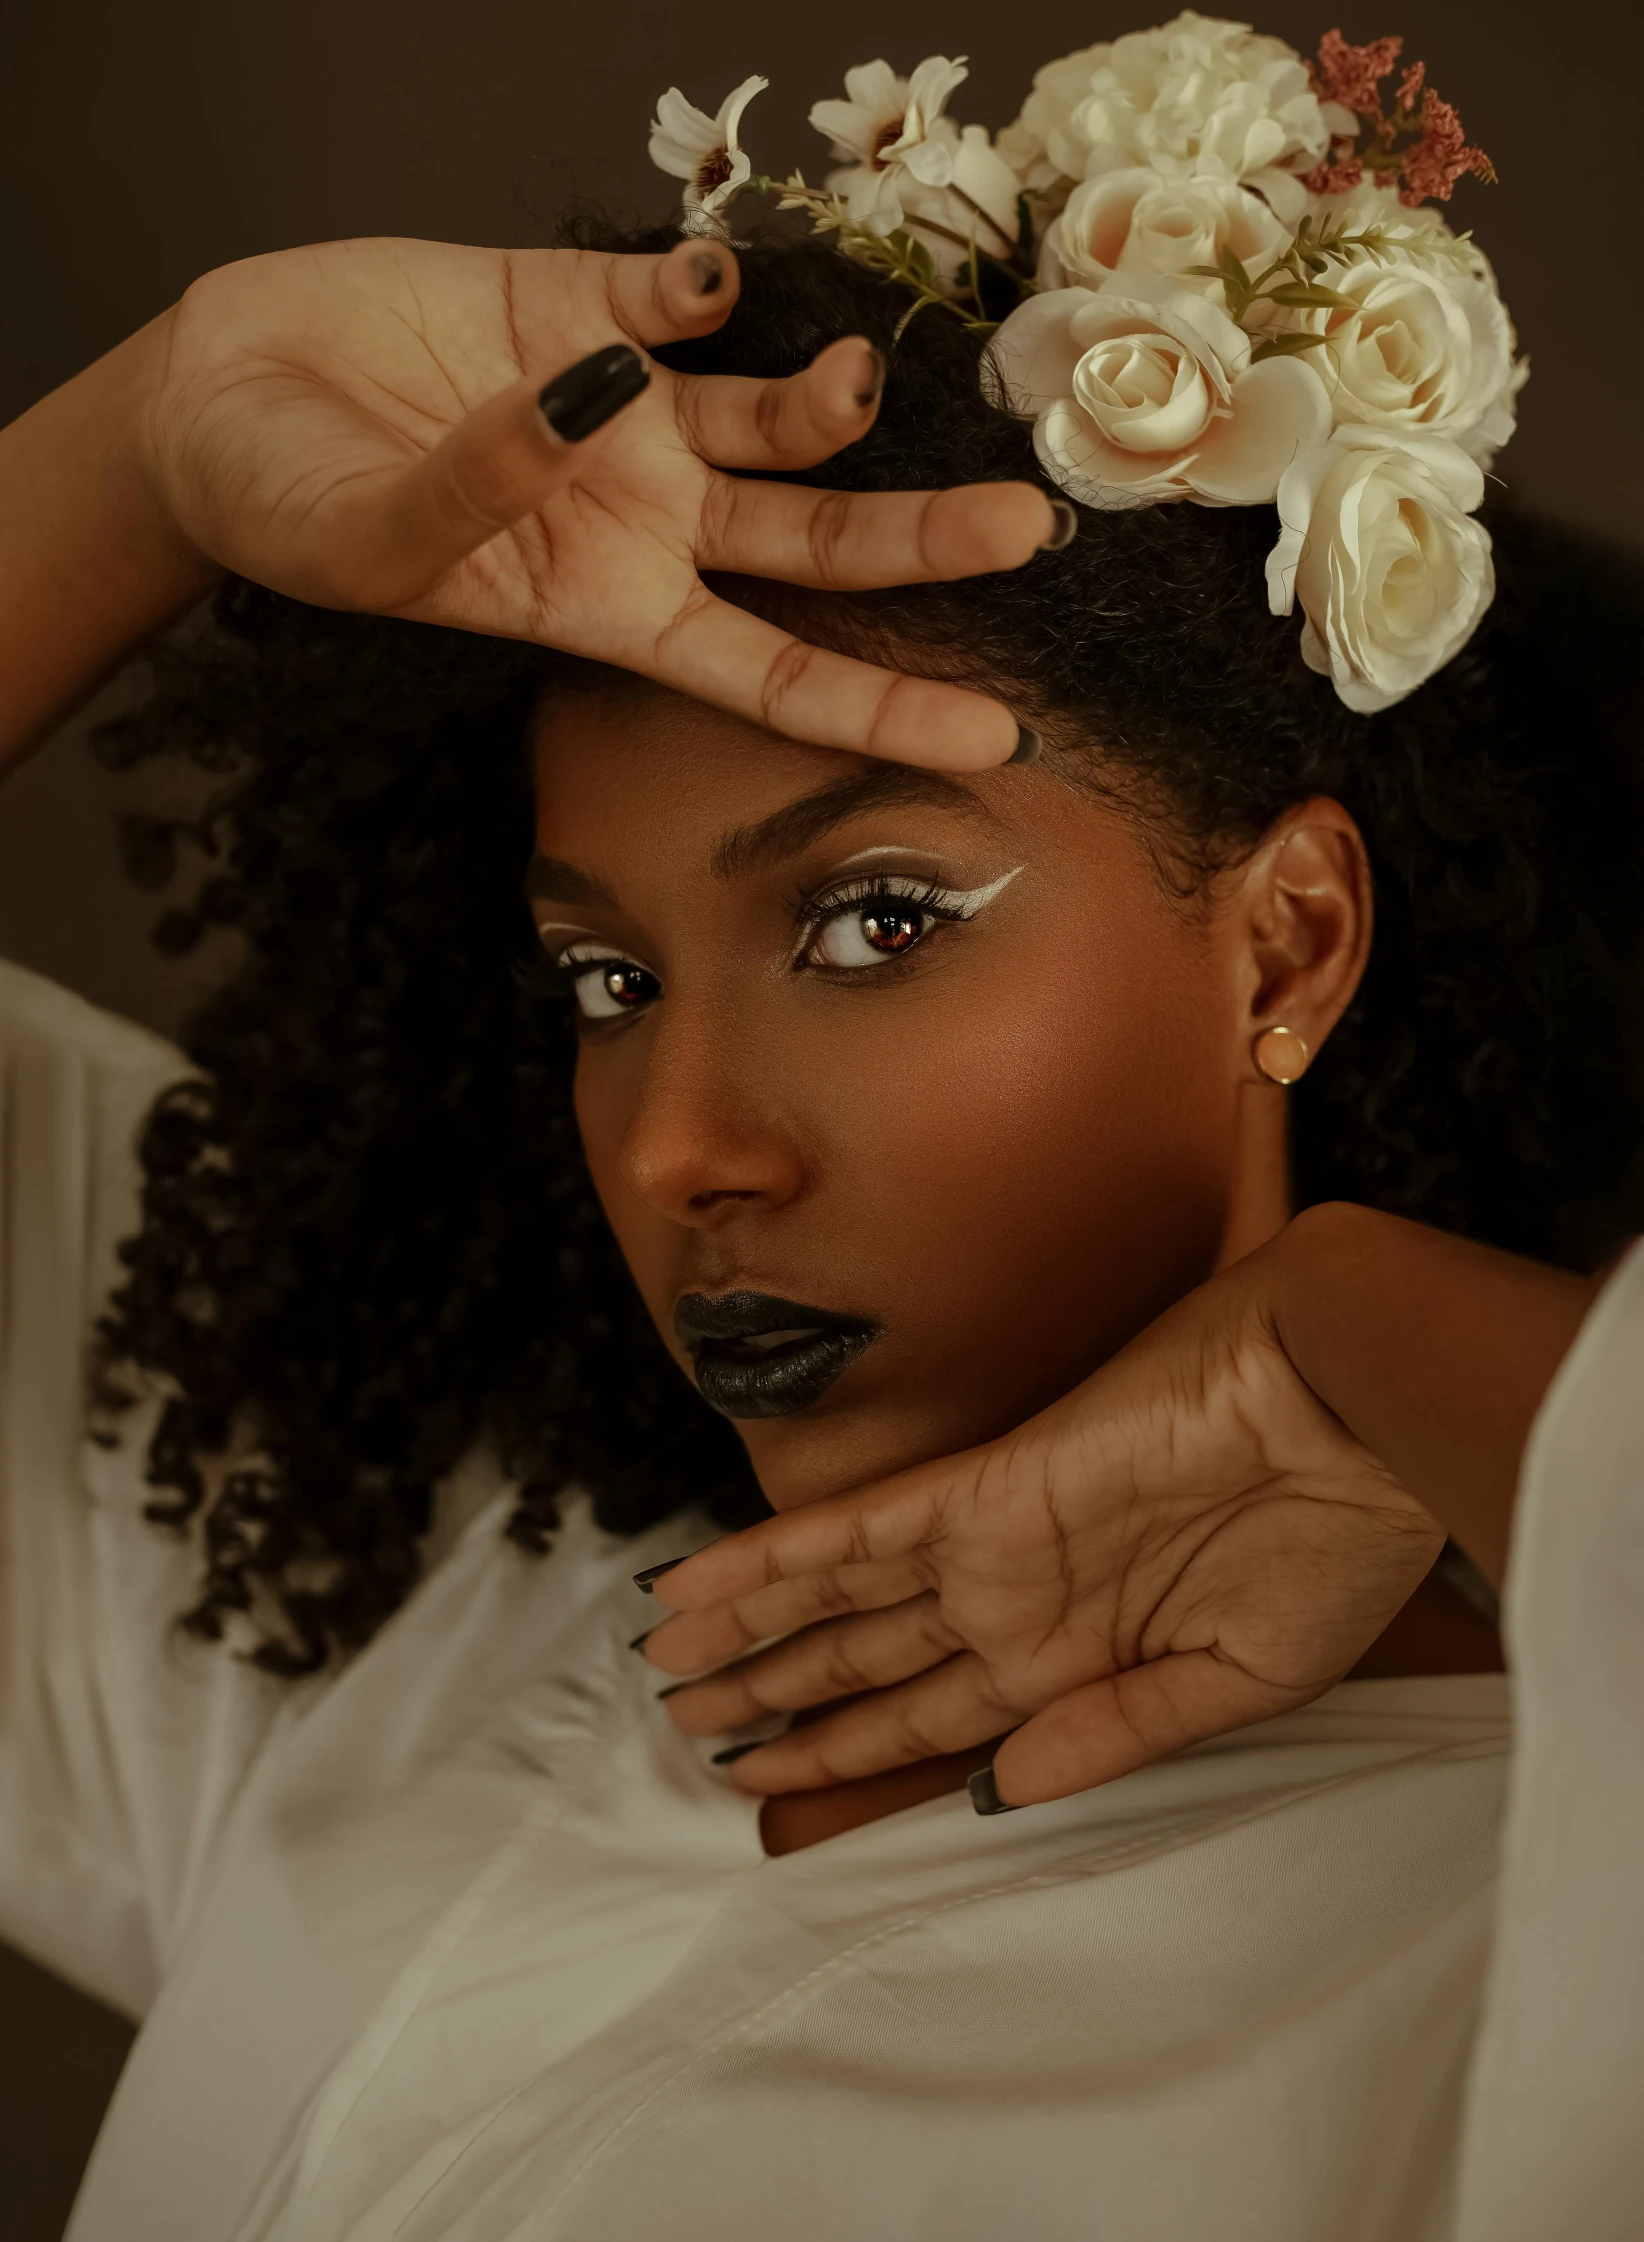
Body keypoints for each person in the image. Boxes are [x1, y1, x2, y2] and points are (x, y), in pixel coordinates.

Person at [3, 28, 1643, 2242]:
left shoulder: (1533, 1893)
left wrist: (1346, 1326)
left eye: (878, 917)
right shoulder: (386, 1615)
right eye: (607, 979)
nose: (681, 1145)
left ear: (1290, 942)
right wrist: (144, 446)